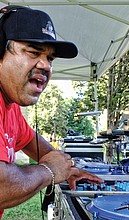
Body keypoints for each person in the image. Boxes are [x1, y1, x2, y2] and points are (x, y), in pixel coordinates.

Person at [0, 5, 103, 218]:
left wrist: (68, 170)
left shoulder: (11, 109)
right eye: (34, 52)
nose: (45, 65)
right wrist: (50, 171)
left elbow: (45, 152)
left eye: (50, 59)